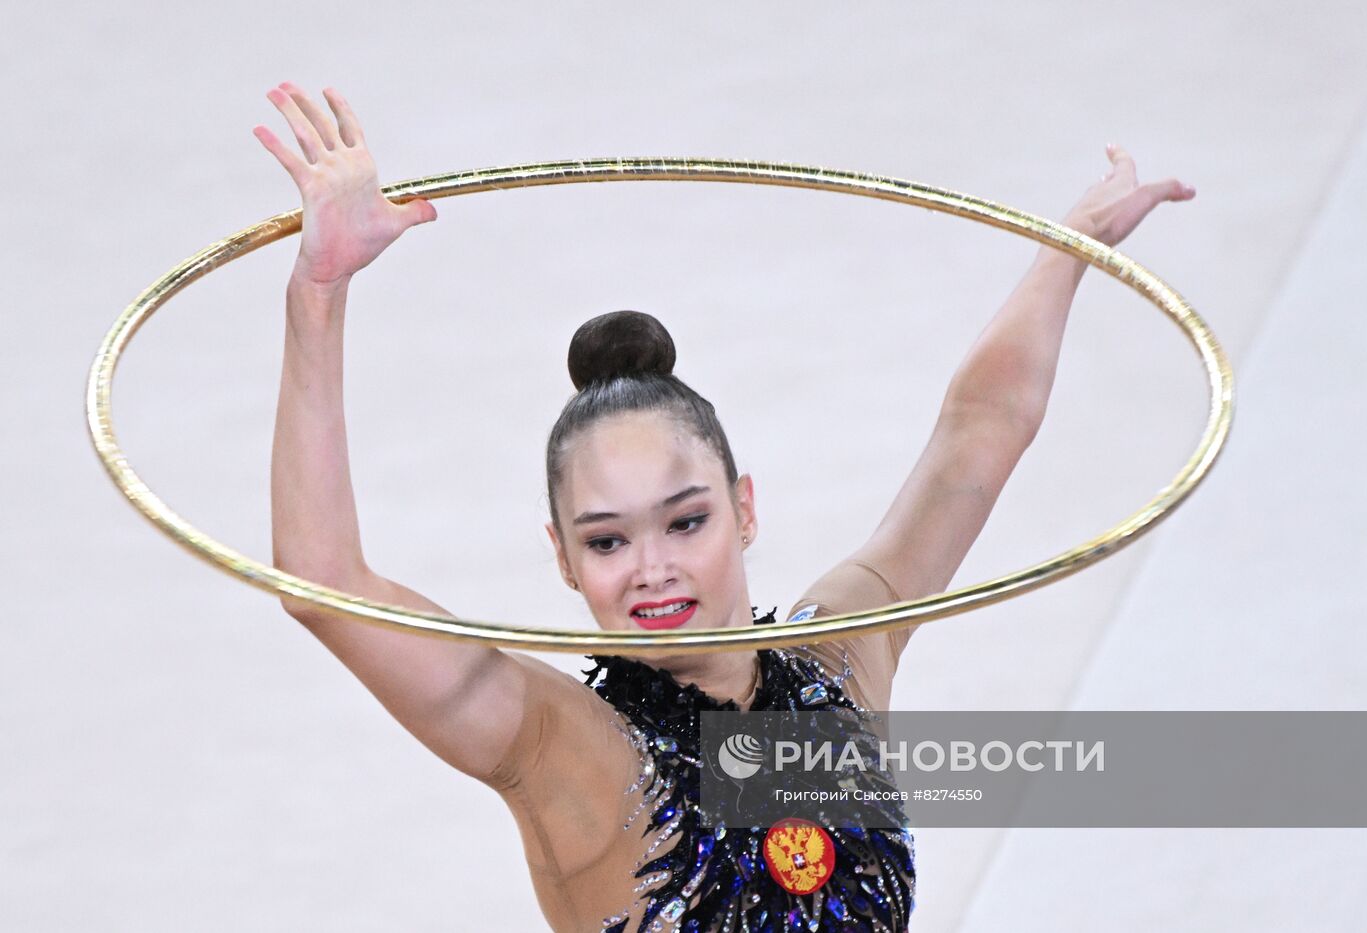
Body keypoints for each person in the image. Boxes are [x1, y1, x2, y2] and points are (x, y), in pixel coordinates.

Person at [258, 80, 1195, 933]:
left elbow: (979, 432)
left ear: (744, 508)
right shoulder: (559, 749)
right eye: (607, 538)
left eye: (686, 519)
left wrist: (1071, 247)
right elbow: (323, 582)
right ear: (563, 558)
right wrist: (320, 292)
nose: (653, 566)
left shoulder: (839, 661)